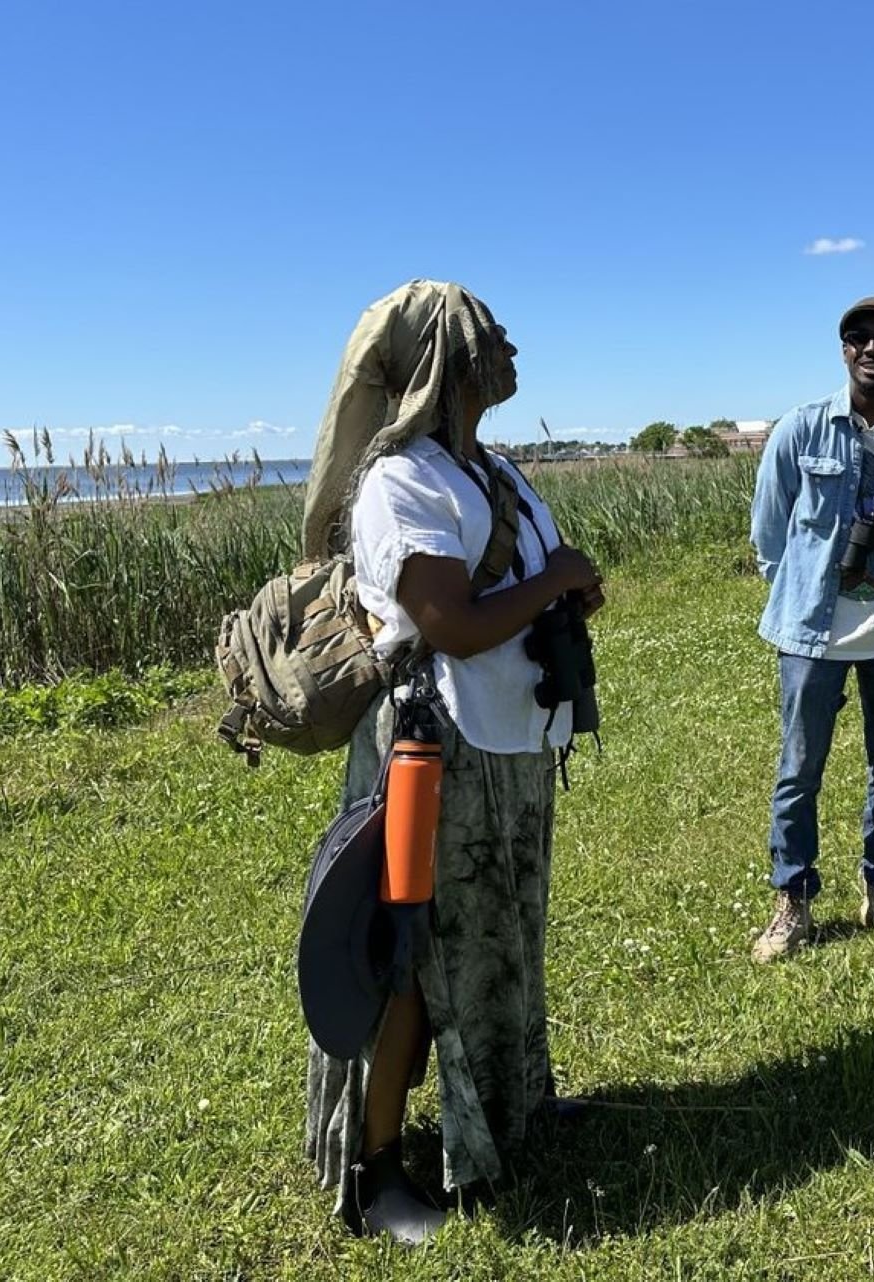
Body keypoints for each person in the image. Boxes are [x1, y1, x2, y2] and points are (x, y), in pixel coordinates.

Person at [299, 280, 605, 1244]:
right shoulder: (402, 480)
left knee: (502, 941)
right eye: (491, 332)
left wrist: (565, 595)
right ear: (447, 357)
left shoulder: (498, 472)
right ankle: (378, 1168)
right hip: (437, 750)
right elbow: (447, 624)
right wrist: (555, 581)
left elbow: (524, 582)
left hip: (508, 746)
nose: (511, 342)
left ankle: (507, 1108)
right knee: (413, 962)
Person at [747, 296, 874, 961]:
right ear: (843, 350)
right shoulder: (800, 431)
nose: (872, 347)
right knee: (799, 768)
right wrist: (805, 594)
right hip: (812, 634)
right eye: (858, 337)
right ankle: (793, 903)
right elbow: (769, 536)